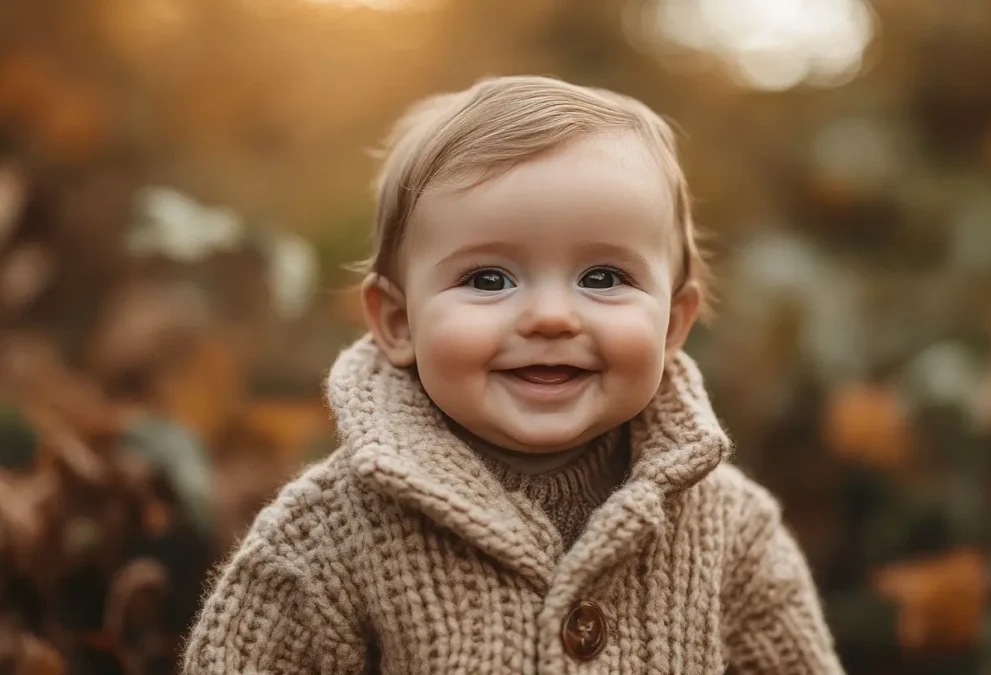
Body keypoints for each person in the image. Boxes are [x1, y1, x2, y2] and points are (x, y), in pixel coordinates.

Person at [182, 75, 845, 674]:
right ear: (399, 321)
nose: (552, 316)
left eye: (603, 277)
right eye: (489, 278)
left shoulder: (731, 530)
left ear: (673, 324)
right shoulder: (328, 535)